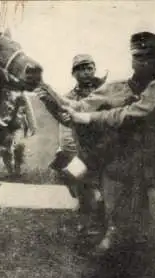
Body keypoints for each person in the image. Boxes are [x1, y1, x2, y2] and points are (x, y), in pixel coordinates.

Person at [41, 31, 155, 253]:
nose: (144, 62)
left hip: (153, 161)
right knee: (80, 179)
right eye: (139, 56)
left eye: (150, 55)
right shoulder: (114, 88)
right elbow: (75, 111)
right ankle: (95, 227)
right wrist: (50, 97)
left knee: (145, 213)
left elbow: (134, 112)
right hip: (111, 155)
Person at [57, 54, 107, 234]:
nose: (86, 72)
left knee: (106, 186)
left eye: (89, 68)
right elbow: (65, 126)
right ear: (74, 73)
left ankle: (104, 222)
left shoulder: (105, 91)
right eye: (81, 69)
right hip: (82, 149)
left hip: (107, 146)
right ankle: (86, 221)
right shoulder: (69, 97)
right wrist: (70, 150)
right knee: (76, 178)